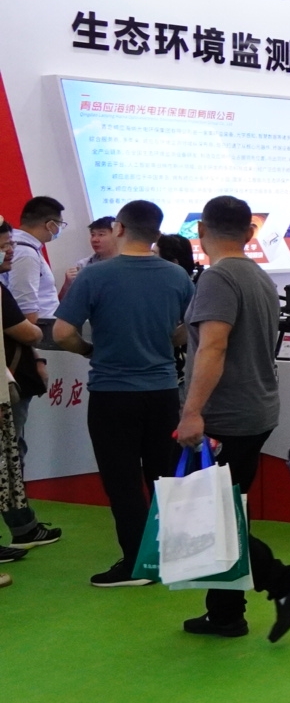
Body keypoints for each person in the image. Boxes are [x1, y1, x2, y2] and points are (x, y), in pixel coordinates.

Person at [174, 196, 290, 640]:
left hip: (225, 416)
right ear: (251, 233)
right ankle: (225, 611)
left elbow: (214, 346)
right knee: (227, 509)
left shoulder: (218, 277)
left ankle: (283, 581)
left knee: (212, 516)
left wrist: (192, 411)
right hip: (255, 409)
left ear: (201, 231)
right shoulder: (257, 275)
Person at [53, 199, 195, 587]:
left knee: (123, 481)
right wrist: (166, 342)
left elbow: (62, 332)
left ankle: (137, 563)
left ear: (119, 228)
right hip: (163, 390)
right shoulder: (177, 276)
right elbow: (191, 328)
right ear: (157, 233)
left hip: (112, 392)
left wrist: (89, 350)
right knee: (164, 476)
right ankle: (174, 554)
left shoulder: (95, 275)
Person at [2, 219, 60, 557]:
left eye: (11, 243)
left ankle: (23, 526)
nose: (10, 250)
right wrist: (35, 334)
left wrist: (36, 355)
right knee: (8, 457)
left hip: (12, 381)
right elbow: (27, 330)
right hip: (5, 387)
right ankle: (22, 527)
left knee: (11, 454)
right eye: (4, 245)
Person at [10, 195, 64, 326]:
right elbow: (25, 307)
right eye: (60, 224)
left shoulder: (21, 246)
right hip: (40, 328)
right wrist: (34, 334)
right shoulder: (26, 253)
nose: (60, 229)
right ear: (50, 225)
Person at [59, 216, 117, 300]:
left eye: (101, 234)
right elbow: (64, 302)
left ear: (116, 236)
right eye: (93, 235)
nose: (94, 239)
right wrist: (67, 284)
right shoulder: (83, 266)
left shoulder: (129, 262)